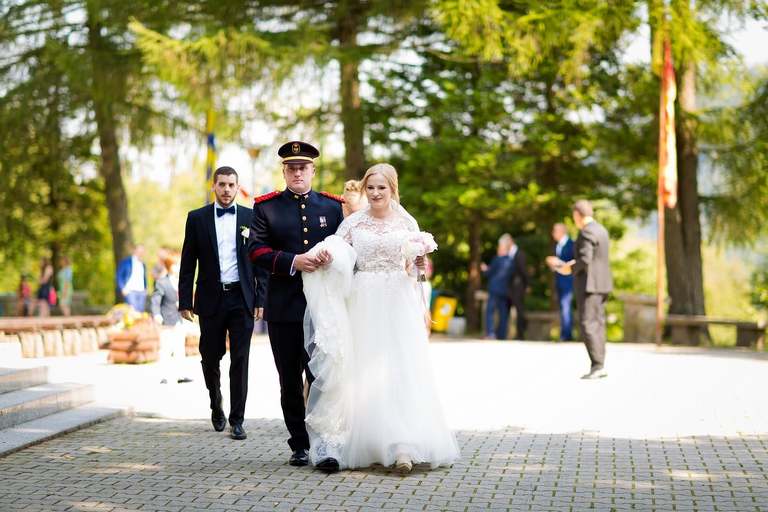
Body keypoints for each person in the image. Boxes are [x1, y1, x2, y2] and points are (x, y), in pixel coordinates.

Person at [302, 163, 460, 474]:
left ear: (392, 189)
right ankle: (372, 441)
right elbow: (337, 254)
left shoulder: (406, 221)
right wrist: (326, 257)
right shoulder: (353, 223)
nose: (375, 193)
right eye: (370, 188)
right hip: (363, 300)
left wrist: (419, 263)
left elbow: (417, 272)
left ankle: (404, 445)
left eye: (381, 188)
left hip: (398, 300)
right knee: (366, 371)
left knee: (401, 369)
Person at [248, 141, 344, 468]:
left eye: (303, 167)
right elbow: (256, 251)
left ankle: (325, 440)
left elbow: (346, 249)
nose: (298, 172)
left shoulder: (333, 207)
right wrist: (293, 261)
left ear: (313, 170)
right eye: (292, 167)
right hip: (284, 308)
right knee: (289, 380)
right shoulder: (266, 207)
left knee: (321, 377)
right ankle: (299, 444)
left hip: (323, 309)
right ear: (284, 171)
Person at [179, 166, 263, 440]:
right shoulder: (197, 219)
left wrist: (261, 298)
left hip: (242, 298)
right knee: (210, 356)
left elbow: (260, 261)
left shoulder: (251, 217)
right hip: (211, 299)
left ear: (237, 188)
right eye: (222, 184)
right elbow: (187, 261)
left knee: (241, 358)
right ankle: (216, 402)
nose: (227, 190)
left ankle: (237, 420)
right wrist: (184, 301)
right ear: (213, 186)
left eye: (231, 185)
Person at [563, 200, 613, 379]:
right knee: (598, 324)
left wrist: (569, 268)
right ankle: (600, 364)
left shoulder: (586, 232)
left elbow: (585, 259)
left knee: (588, 324)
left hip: (590, 285)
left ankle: (597, 365)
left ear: (577, 215)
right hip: (603, 284)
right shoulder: (602, 230)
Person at [151, 251, 193, 385]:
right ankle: (164, 375)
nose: (179, 267)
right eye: (177, 264)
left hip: (179, 319)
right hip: (166, 320)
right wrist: (156, 314)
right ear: (170, 266)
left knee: (179, 348)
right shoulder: (162, 283)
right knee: (166, 349)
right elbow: (156, 300)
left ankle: (181, 374)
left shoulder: (181, 281)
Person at [481, 234, 529, 340]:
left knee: (490, 311)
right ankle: (502, 334)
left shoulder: (497, 259)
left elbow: (489, 273)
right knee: (503, 313)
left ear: (502, 248)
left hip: (494, 289)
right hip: (505, 291)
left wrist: (485, 269)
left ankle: (491, 333)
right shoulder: (511, 262)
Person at [545, 223, 575, 341]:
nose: (553, 234)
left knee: (566, 306)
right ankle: (564, 333)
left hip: (568, 281)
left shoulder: (571, 244)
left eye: (555, 231)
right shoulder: (558, 245)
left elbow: (574, 262)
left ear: (562, 231)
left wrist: (559, 262)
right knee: (563, 307)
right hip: (560, 280)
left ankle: (566, 335)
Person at [117, 245, 147, 312]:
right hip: (130, 290)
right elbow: (119, 276)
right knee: (132, 311)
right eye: (139, 251)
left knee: (140, 311)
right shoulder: (126, 262)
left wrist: (145, 289)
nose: (141, 253)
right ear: (135, 251)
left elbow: (143, 278)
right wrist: (122, 288)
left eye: (142, 251)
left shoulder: (143, 264)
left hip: (141, 291)